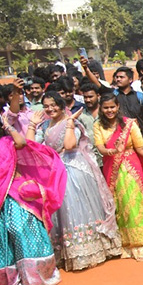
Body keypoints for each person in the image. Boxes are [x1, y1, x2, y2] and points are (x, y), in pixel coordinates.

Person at [0, 109, 65, 285]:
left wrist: (7, 126)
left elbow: (22, 142)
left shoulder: (6, 141)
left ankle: (36, 274)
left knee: (20, 228)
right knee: (3, 233)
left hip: (14, 191)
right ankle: (12, 279)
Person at [35, 93, 122, 271]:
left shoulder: (72, 122)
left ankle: (88, 251)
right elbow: (31, 144)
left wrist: (69, 123)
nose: (50, 109)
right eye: (46, 106)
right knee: (62, 211)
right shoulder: (45, 125)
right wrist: (31, 124)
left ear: (61, 105)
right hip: (56, 171)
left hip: (73, 170)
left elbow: (69, 146)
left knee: (76, 209)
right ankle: (67, 253)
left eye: (53, 105)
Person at [94, 94, 143, 261]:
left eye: (112, 107)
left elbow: (141, 148)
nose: (109, 110)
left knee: (134, 202)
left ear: (118, 107)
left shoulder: (129, 123)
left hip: (131, 167)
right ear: (101, 109)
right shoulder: (98, 125)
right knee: (119, 204)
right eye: (106, 108)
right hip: (112, 168)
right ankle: (126, 243)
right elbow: (100, 147)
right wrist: (111, 151)